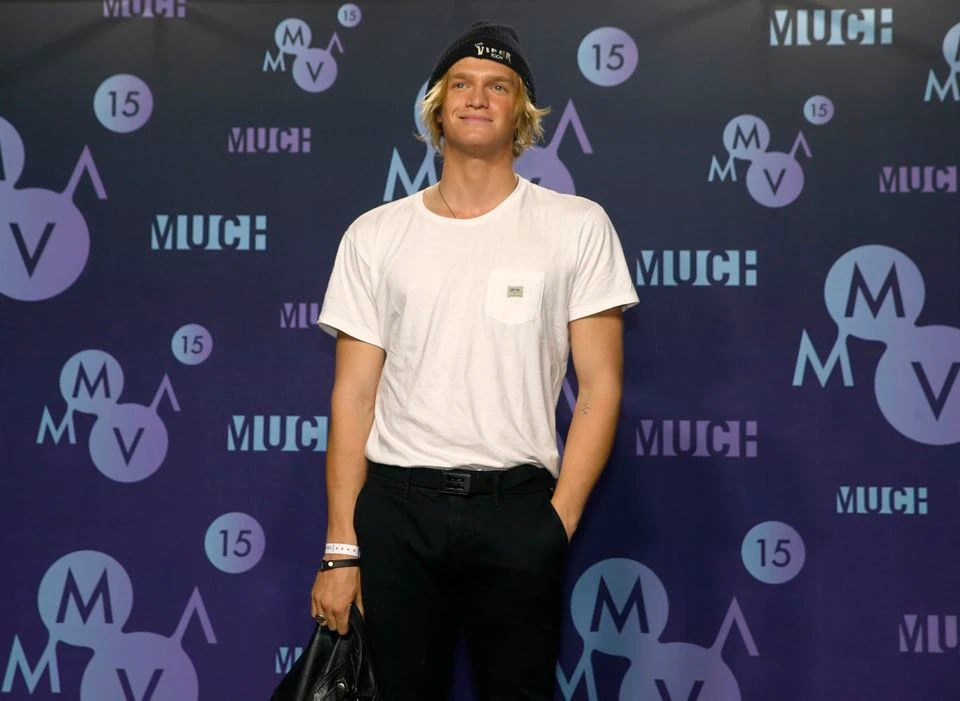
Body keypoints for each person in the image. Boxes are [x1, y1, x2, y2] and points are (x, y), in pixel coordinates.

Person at [310, 20, 638, 700]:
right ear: (436, 106)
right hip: (396, 512)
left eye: (498, 86)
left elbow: (601, 385)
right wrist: (343, 549)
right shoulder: (375, 235)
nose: (477, 97)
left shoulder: (576, 225)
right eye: (460, 83)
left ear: (521, 111)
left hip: (517, 511)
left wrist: (558, 520)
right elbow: (353, 398)